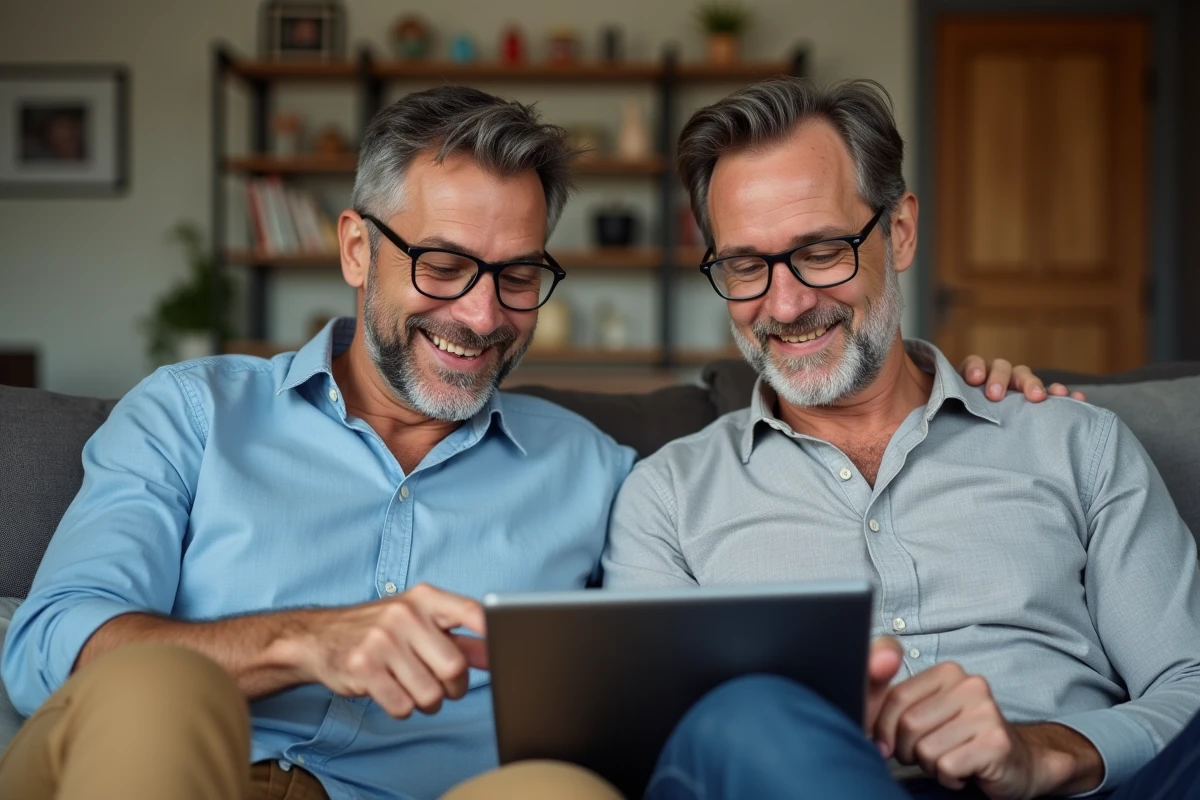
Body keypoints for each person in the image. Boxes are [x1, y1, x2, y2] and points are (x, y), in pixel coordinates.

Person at [0, 85, 1067, 800]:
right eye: (443, 264)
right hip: (180, 766)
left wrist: (963, 388)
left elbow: (683, 667)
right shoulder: (194, 411)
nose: (480, 313)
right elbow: (48, 645)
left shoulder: (603, 473)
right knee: (157, 685)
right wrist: (306, 640)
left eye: (519, 274)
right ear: (358, 249)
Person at [602, 77, 1200, 799]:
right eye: (745, 265)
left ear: (901, 231)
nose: (785, 303)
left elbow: (1186, 683)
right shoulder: (666, 496)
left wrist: (1045, 752)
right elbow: (655, 741)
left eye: (821, 250)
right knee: (740, 715)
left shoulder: (1075, 443)